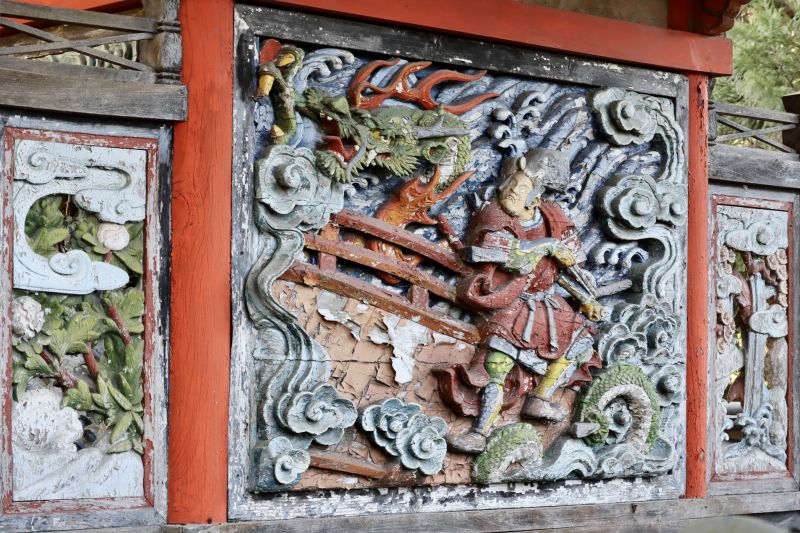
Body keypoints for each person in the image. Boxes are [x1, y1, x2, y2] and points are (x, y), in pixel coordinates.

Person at [443, 148, 605, 454]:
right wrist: (547, 246)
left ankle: (541, 398)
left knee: (580, 343)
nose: (510, 192)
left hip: (547, 302)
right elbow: (514, 260)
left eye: (520, 188)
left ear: (538, 195)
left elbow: (565, 268)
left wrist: (585, 298)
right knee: (497, 365)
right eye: (510, 184)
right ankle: (480, 432)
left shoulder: (553, 218)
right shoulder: (494, 213)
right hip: (509, 299)